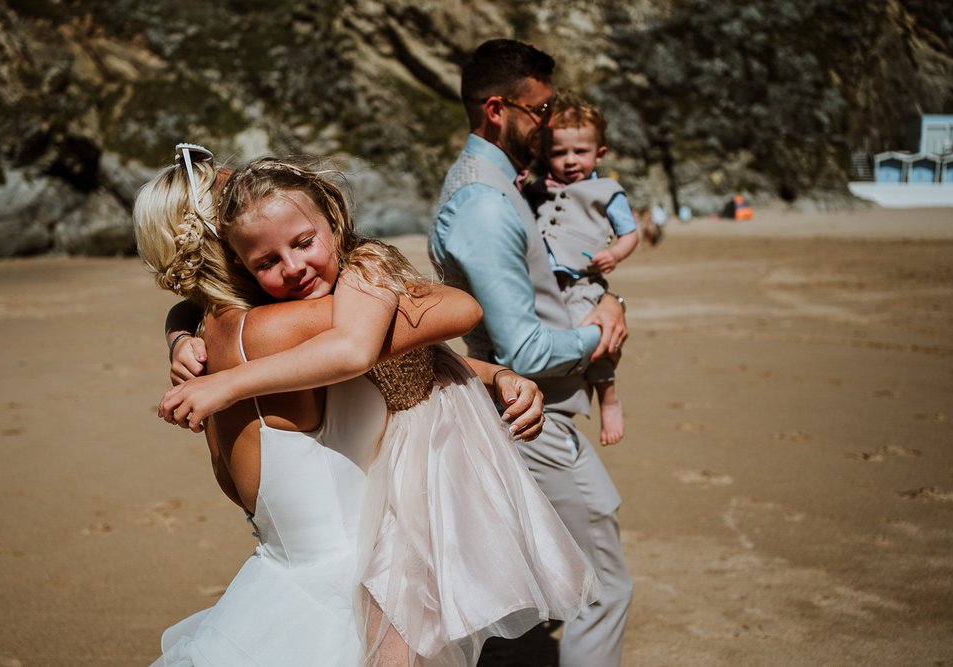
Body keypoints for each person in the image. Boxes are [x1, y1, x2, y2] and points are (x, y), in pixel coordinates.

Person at [158, 156, 599, 666]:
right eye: (267, 262)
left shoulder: (360, 274)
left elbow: (372, 349)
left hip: (436, 460)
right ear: (237, 262)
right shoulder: (285, 317)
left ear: (333, 221)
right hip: (396, 476)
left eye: (303, 243)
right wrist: (179, 331)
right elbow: (392, 345)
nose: (293, 266)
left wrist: (221, 376)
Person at [428, 39, 634, 667]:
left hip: (509, 410)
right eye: (540, 110)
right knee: (602, 587)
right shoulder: (485, 204)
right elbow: (524, 348)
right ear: (497, 110)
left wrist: (607, 291)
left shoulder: (496, 186)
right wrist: (603, 329)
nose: (550, 123)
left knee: (520, 589)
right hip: (528, 415)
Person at [523, 91, 640, 446]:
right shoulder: (537, 189)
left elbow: (630, 232)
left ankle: (607, 396)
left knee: (592, 331)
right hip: (541, 280)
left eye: (580, 152)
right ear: (546, 154)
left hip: (583, 282)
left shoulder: (606, 191)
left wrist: (616, 254)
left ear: (599, 153)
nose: (570, 161)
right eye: (559, 153)